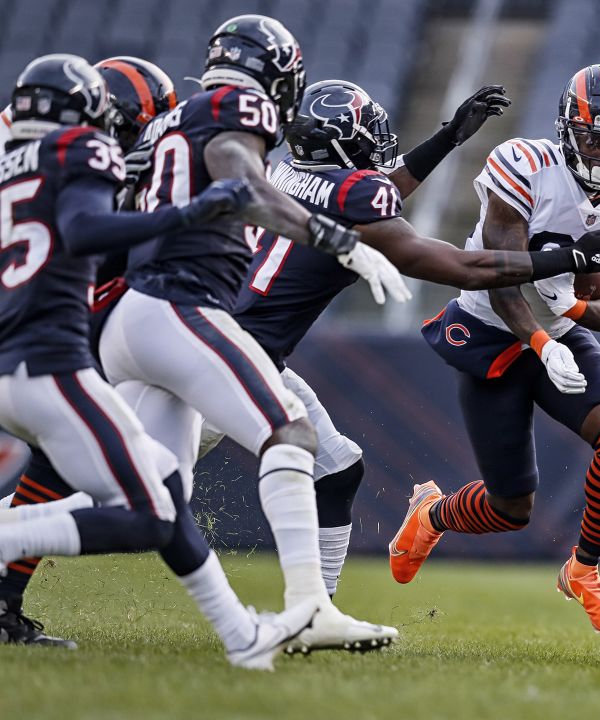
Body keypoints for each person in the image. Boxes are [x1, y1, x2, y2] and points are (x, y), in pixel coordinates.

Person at [216, 79, 600, 598]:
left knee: (338, 466)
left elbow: (370, 195)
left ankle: (314, 609)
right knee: (136, 487)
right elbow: (468, 266)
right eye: (370, 134)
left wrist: (448, 138)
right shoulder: (357, 195)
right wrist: (573, 258)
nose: (380, 142)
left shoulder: (287, 173)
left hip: (239, 347)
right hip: (231, 359)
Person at [96, 14, 403, 653]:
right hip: (196, 323)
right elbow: (248, 184)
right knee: (133, 488)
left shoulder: (181, 121)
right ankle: (307, 614)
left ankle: (307, 612)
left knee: (157, 501)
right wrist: (336, 240)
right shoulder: (241, 115)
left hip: (156, 312)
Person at [0, 54, 315, 669]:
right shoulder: (80, 156)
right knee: (142, 502)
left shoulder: (34, 158)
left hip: (45, 340)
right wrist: (178, 208)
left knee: (148, 486)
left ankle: (243, 638)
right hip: (48, 351)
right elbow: (88, 229)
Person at [392, 64, 600, 639]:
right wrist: (537, 338)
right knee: (512, 509)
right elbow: (500, 271)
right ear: (567, 130)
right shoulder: (523, 165)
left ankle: (583, 570)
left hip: (559, 330)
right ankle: (432, 514)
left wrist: (574, 313)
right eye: (594, 137)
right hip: (493, 328)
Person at [0, 54, 180, 649]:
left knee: (51, 465)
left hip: (32, 325)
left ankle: (3, 603)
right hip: (28, 334)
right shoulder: (76, 155)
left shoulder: (33, 144)